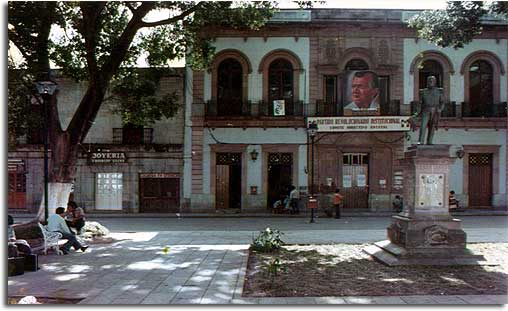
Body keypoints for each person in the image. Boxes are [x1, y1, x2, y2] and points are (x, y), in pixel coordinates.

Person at [418, 75, 444, 145]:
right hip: (425, 110)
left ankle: (429, 141)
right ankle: (420, 141)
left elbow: (442, 102)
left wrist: (440, 109)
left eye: (432, 81)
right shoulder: (423, 91)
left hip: (435, 110)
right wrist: (417, 112)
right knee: (423, 126)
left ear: (435, 82)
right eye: (429, 81)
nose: (430, 82)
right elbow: (420, 103)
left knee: (432, 127)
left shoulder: (439, 91)